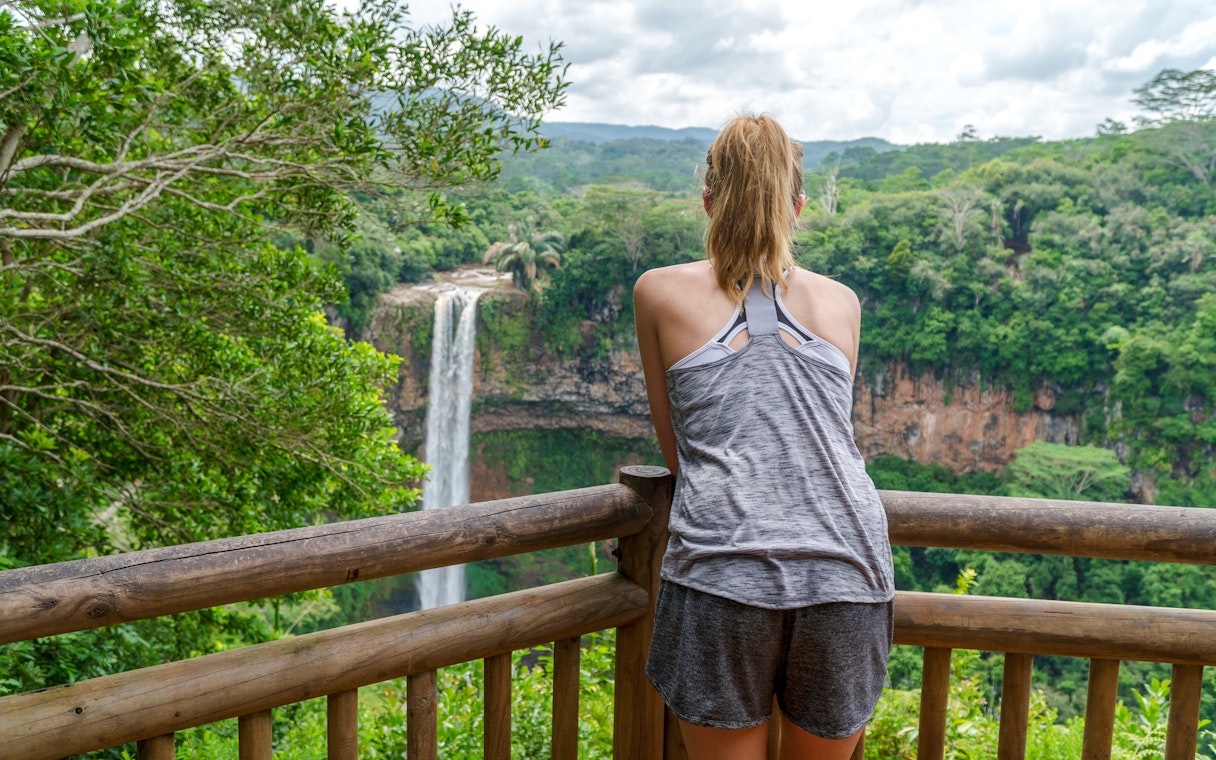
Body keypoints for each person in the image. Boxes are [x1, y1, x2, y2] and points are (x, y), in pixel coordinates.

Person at [633, 114, 895, 760]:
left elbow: (681, 454)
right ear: (799, 207)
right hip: (845, 570)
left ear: (707, 201)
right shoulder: (843, 303)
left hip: (723, 570)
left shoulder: (658, 293)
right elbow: (828, 440)